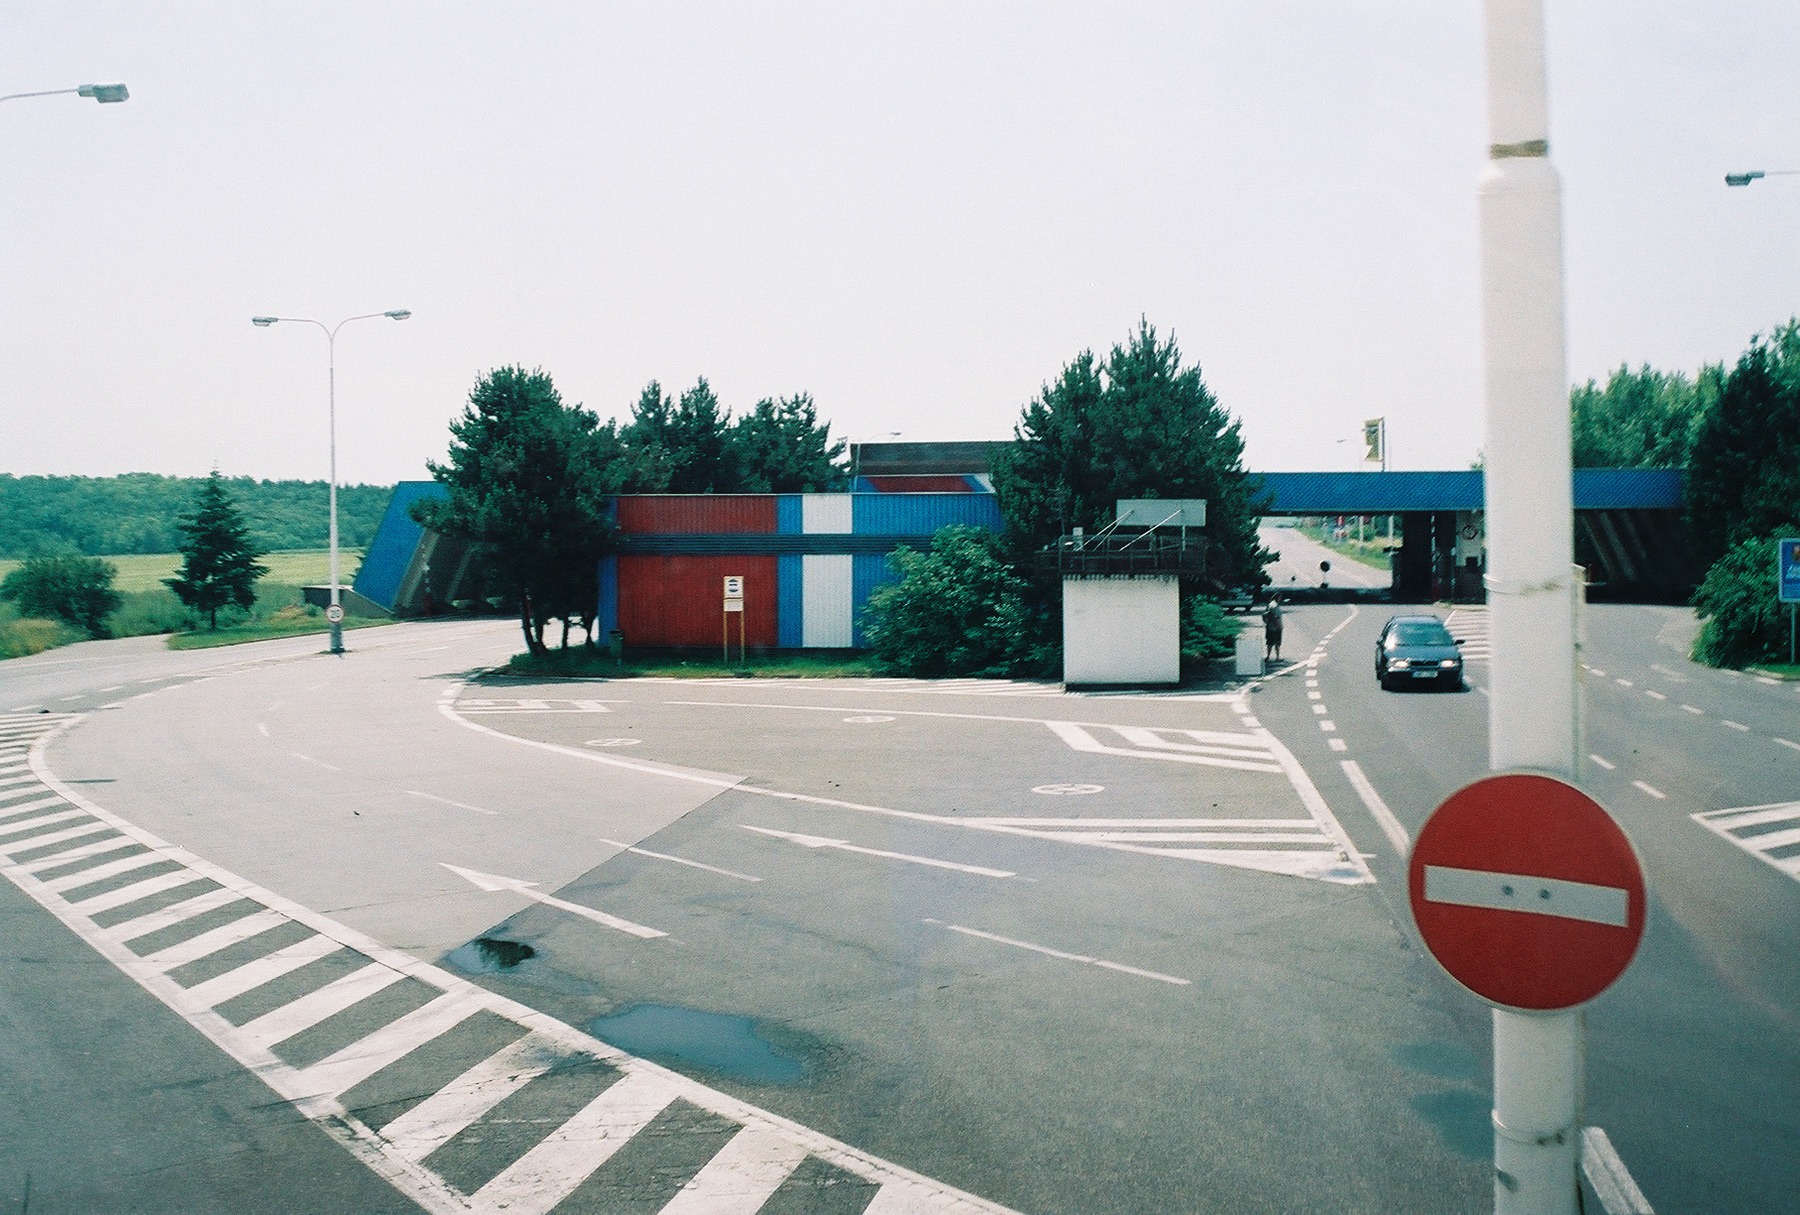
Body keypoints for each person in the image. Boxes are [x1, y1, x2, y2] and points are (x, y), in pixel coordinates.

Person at [1262, 595, 1284, 663]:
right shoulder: (1275, 606)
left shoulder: (1270, 604)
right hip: (1275, 628)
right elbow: (1275, 618)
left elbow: (1264, 615)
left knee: (1269, 643)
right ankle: (1277, 657)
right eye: (1280, 598)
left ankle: (1268, 656)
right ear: (1277, 598)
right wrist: (1279, 626)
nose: (1280, 599)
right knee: (1277, 643)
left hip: (1269, 626)